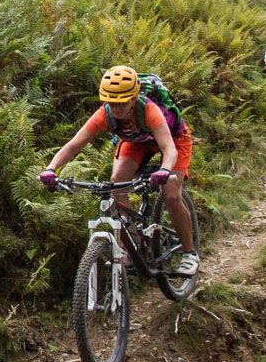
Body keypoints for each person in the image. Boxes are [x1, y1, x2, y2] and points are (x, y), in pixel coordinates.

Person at [38, 66, 199, 276]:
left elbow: (169, 148)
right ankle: (134, 241)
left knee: (170, 194)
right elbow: (74, 145)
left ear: (133, 98)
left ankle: (189, 253)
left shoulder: (150, 110)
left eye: (122, 103)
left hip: (174, 139)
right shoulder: (105, 114)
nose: (116, 108)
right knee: (116, 183)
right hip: (136, 141)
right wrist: (51, 169)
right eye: (111, 102)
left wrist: (165, 170)